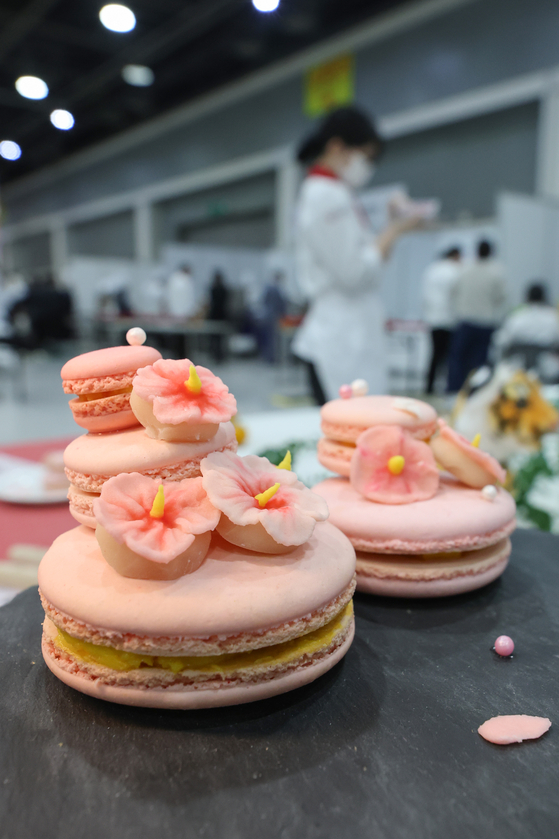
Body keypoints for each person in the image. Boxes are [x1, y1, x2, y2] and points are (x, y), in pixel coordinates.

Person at [292, 106, 422, 404]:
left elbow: (366, 265)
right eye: (366, 156)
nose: (368, 166)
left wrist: (391, 228)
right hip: (341, 339)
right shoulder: (326, 196)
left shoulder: (335, 193)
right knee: (354, 436)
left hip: (350, 333)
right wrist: (394, 230)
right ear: (337, 147)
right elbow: (355, 273)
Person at [447, 240, 506, 392]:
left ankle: (454, 391)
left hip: (466, 320)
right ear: (491, 252)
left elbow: (453, 291)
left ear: (476, 251)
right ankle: (474, 393)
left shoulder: (466, 269)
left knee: (458, 358)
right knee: (479, 362)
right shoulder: (496, 272)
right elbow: (500, 297)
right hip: (486, 322)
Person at [421, 246, 462, 394]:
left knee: (434, 355)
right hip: (449, 319)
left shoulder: (431, 269)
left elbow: (425, 295)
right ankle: (447, 387)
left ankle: (429, 387)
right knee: (449, 356)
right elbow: (457, 295)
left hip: (433, 318)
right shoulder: (455, 271)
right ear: (456, 255)